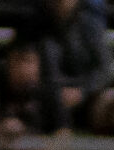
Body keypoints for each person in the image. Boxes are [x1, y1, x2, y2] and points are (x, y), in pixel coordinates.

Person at [22, 0, 114, 134]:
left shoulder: (90, 25)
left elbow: (105, 70)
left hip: (88, 94)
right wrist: (57, 91)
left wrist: (82, 91)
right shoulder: (35, 26)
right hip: (47, 94)